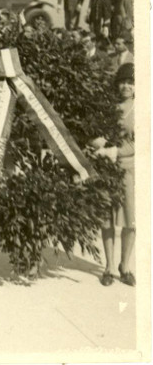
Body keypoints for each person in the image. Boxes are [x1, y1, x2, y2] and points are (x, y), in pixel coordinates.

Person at [89, 64, 135, 287]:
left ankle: (124, 267)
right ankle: (108, 267)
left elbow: (140, 143)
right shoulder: (107, 106)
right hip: (107, 169)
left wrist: (115, 151)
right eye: (123, 82)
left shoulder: (142, 108)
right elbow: (93, 132)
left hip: (129, 169)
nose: (126, 86)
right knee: (106, 218)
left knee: (131, 220)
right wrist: (99, 143)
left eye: (131, 82)